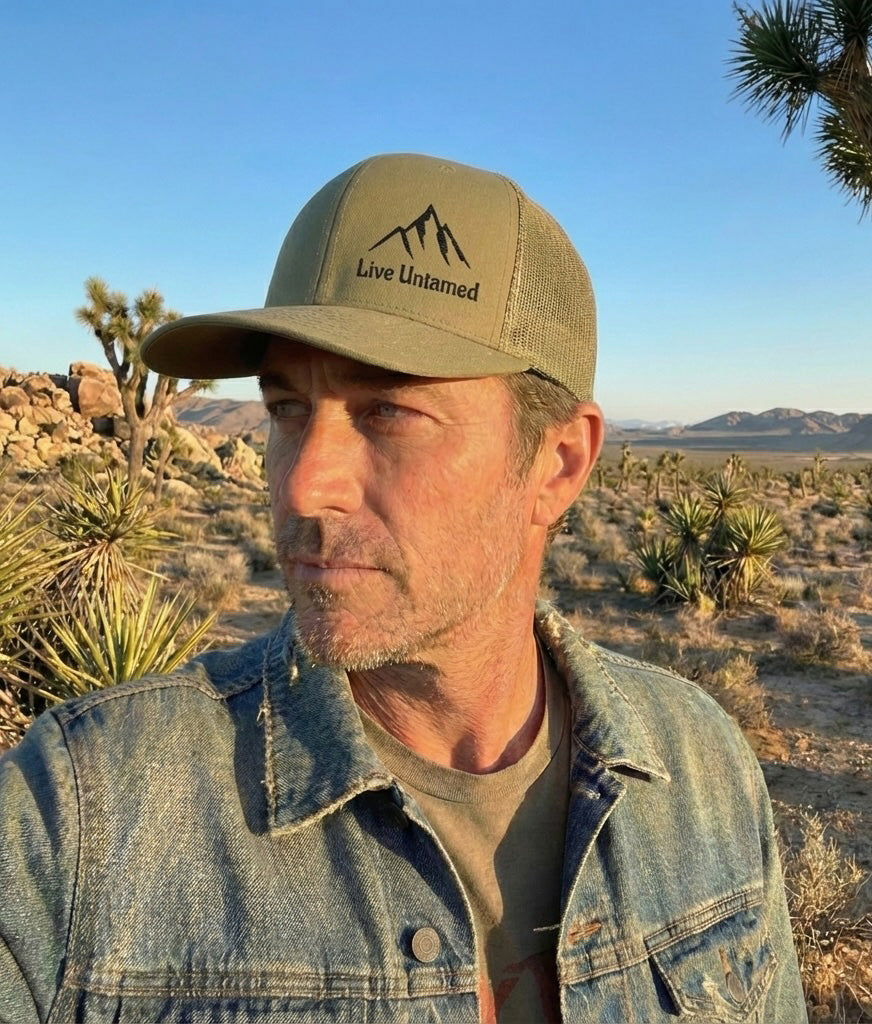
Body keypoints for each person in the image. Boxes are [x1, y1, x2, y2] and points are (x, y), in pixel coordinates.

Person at [0, 152, 806, 1023]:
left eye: (388, 411)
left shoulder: (702, 770)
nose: (304, 485)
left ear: (558, 462)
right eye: (286, 409)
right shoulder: (79, 821)